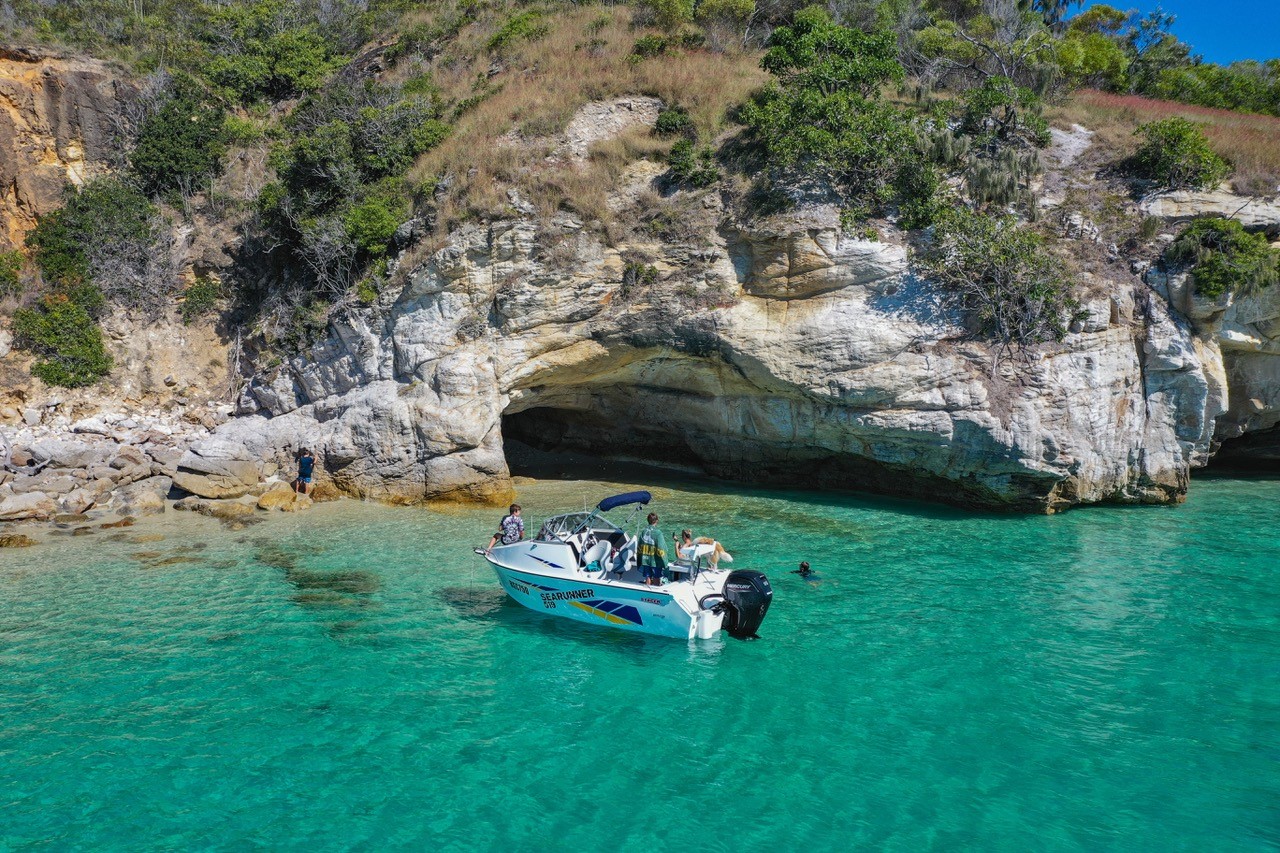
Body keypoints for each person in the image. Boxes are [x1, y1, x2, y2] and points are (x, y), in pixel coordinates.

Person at [637, 512, 667, 586]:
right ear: (657, 521)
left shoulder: (644, 531)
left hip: (645, 559)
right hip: (655, 561)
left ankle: (647, 590)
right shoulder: (658, 533)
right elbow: (661, 547)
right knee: (656, 578)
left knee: (648, 577)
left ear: (648, 520)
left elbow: (639, 545)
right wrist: (664, 560)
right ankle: (656, 591)